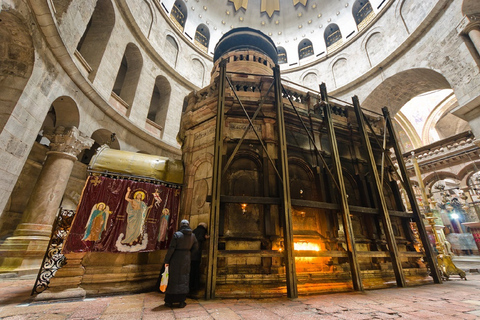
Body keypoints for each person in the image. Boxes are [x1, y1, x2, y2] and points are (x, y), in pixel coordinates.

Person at [163, 219, 198, 308]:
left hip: (176, 257)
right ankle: (181, 301)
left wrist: (167, 260)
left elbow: (171, 249)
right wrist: (188, 255)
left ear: (181, 225)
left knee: (173, 278)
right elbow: (196, 248)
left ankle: (169, 301)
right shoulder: (193, 236)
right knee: (184, 278)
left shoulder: (177, 235)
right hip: (186, 258)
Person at [190, 222, 209, 293]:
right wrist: (205, 238)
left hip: (191, 253)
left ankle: (191, 286)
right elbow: (200, 238)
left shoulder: (194, 230)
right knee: (196, 271)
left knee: (191, 271)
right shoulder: (203, 231)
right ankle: (195, 286)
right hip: (197, 254)